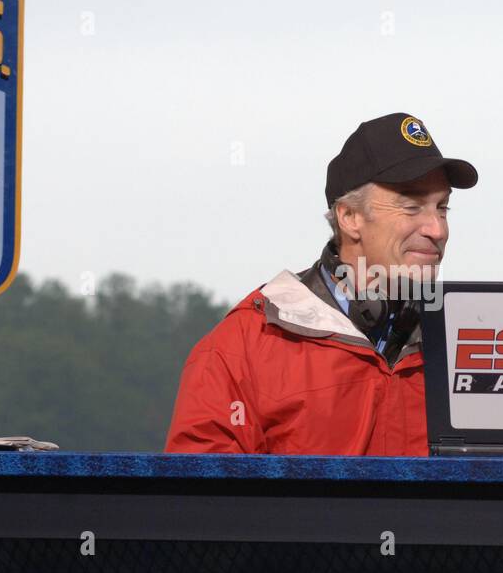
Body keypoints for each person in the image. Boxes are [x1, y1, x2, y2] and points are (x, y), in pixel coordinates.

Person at [164, 112, 477, 455]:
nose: (437, 230)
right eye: (412, 206)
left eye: (442, 207)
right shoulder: (243, 347)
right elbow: (200, 502)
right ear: (350, 217)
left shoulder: (471, 348)